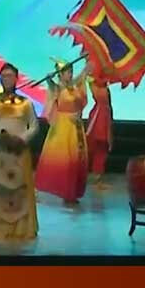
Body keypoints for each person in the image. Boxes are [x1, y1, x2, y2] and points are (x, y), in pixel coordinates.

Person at [0, 62, 39, 240]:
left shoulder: (26, 104)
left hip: (20, 151)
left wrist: (22, 139)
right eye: (4, 76)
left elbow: (34, 126)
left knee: (20, 190)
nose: (7, 79)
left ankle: (21, 228)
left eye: (10, 76)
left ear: (16, 79)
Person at [34, 59, 89, 206]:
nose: (70, 75)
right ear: (60, 74)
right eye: (67, 72)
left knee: (76, 160)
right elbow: (51, 85)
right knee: (63, 160)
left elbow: (81, 98)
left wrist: (87, 65)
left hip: (76, 127)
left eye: (71, 72)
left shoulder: (75, 87)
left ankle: (71, 193)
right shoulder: (58, 89)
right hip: (62, 127)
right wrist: (49, 79)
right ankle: (58, 190)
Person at [85, 71, 114, 188]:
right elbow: (89, 80)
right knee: (97, 147)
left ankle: (98, 178)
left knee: (102, 148)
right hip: (99, 118)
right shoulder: (96, 86)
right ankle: (95, 178)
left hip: (105, 117)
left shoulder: (104, 88)